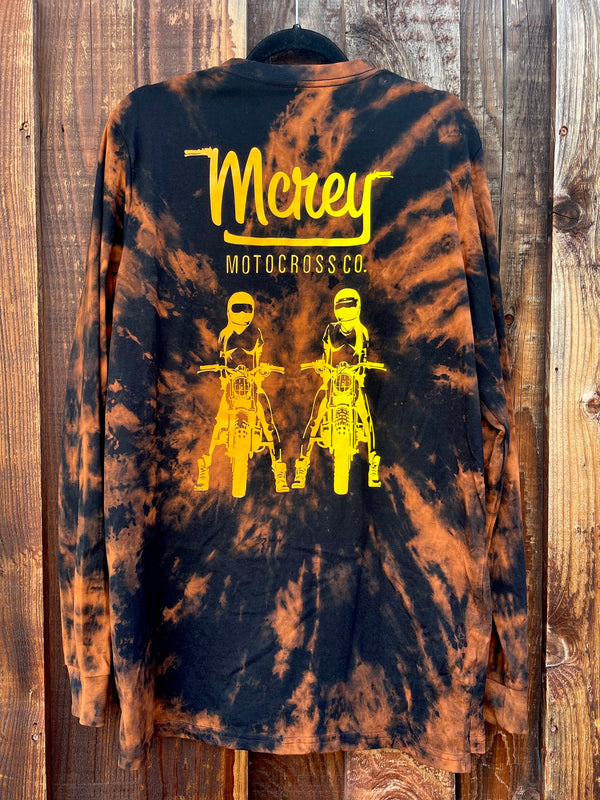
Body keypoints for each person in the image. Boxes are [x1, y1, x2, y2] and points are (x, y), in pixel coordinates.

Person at [195, 291, 288, 494]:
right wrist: (220, 370)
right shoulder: (225, 334)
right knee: (215, 424)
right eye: (239, 308)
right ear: (230, 310)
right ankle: (204, 469)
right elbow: (221, 358)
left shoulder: (256, 334)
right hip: (231, 387)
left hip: (253, 386)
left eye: (247, 309)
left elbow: (260, 356)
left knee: (269, 423)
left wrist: (263, 369)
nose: (244, 313)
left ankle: (279, 471)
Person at [292, 288, 382, 490]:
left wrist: (361, 369)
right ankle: (302, 465)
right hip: (331, 382)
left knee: (367, 420)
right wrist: (321, 366)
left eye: (349, 305)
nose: (345, 309)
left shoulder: (361, 332)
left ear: (356, 307)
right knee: (314, 419)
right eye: (342, 306)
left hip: (353, 383)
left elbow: (363, 357)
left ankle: (373, 464)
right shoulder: (330, 330)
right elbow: (326, 354)